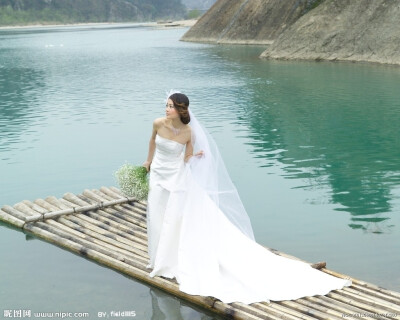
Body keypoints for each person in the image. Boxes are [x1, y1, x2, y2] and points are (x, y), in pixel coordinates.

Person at [143, 91, 351, 304]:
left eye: (170, 106)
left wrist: (195, 156)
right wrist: (148, 162)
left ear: (180, 110)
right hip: (159, 174)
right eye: (166, 105)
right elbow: (152, 142)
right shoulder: (158, 123)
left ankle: (170, 261)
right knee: (158, 213)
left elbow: (186, 157)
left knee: (175, 216)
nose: (166, 109)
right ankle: (158, 258)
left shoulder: (189, 132)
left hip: (177, 177)